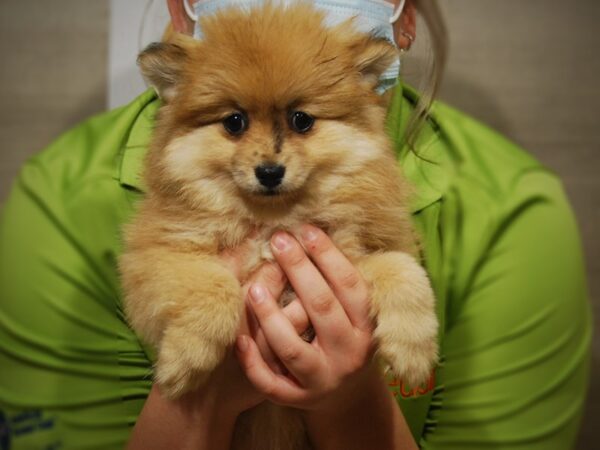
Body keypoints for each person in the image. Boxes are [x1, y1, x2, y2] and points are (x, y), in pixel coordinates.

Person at [0, 0, 591, 448]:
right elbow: (156, 267)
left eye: (303, 121)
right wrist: (210, 349)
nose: (268, 157)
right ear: (178, 9)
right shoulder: (62, 198)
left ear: (405, 18)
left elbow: (382, 258)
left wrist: (354, 400)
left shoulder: (513, 209)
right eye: (234, 122)